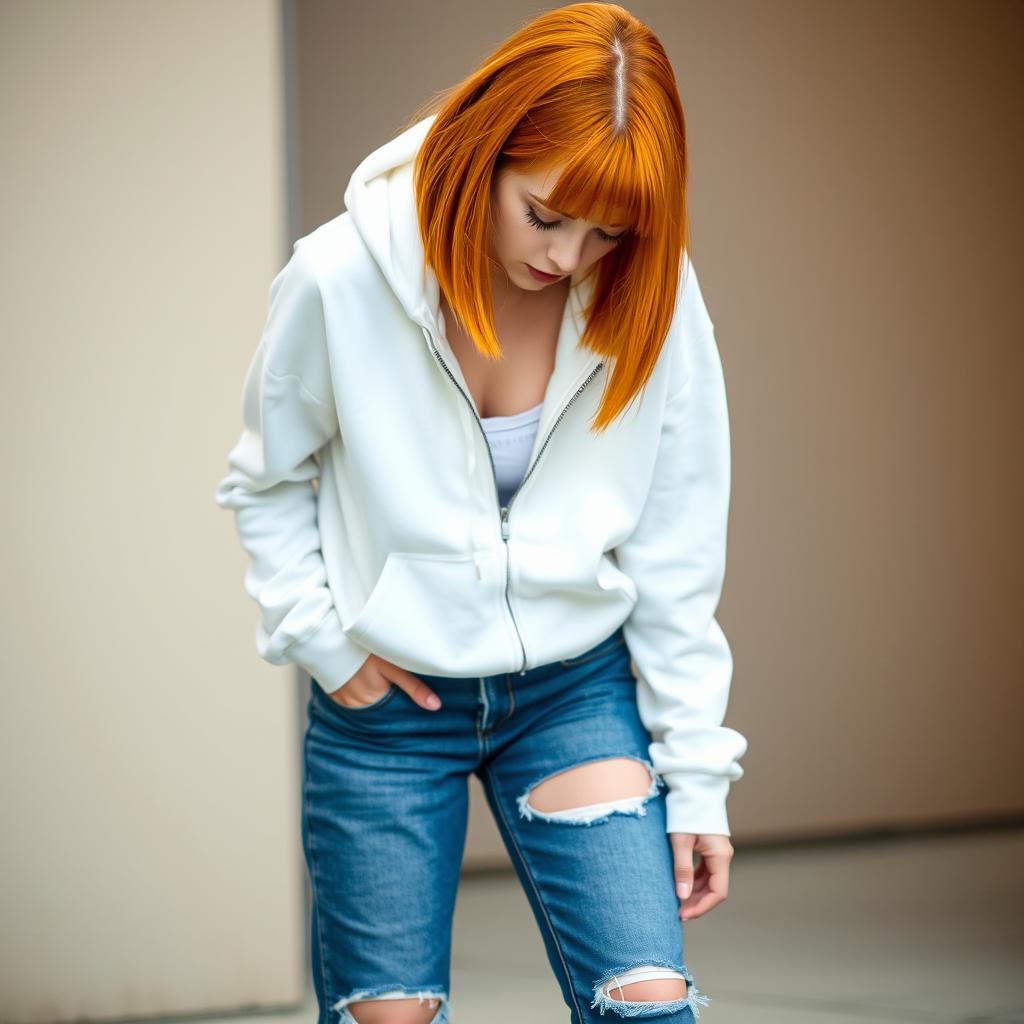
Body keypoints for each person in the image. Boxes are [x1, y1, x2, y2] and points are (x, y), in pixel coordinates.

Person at [214, 4, 748, 1022]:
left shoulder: (655, 296)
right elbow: (266, 478)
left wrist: (698, 773)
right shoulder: (339, 277)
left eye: (606, 231)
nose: (568, 256)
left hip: (573, 693)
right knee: (389, 1014)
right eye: (544, 214)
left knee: (646, 998)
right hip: (387, 717)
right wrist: (322, 641)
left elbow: (678, 547)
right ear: (482, 153)